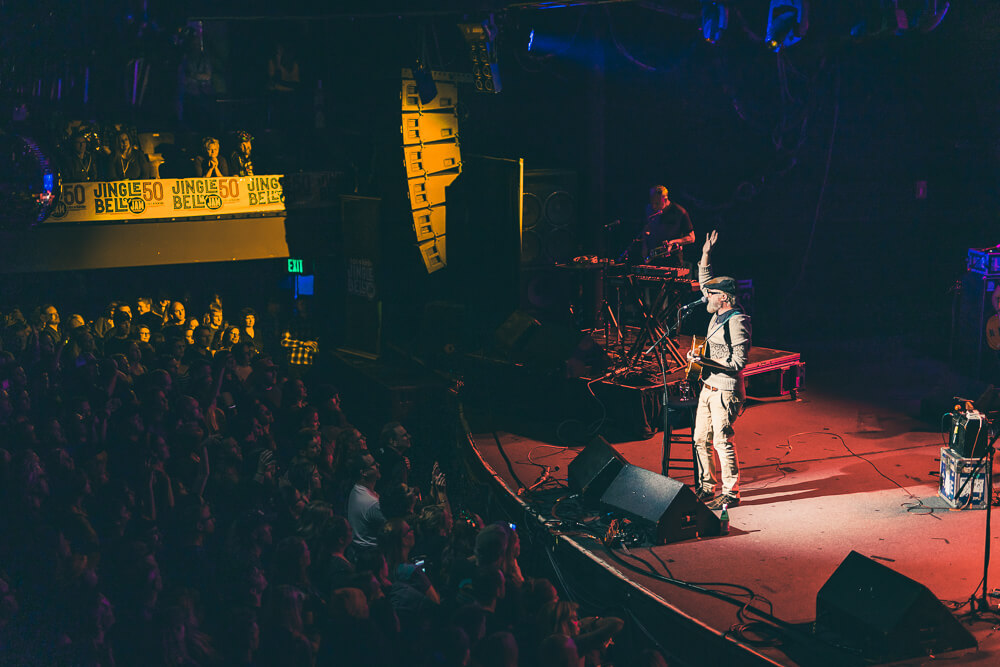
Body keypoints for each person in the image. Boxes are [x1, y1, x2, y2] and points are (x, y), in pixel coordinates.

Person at [686, 230, 751, 509]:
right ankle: (706, 487)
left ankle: (731, 493)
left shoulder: (737, 321)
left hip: (726, 390)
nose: (706, 296)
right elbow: (705, 281)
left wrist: (703, 362)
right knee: (700, 439)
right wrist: (705, 254)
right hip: (708, 386)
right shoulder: (717, 309)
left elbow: (738, 363)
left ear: (723, 297)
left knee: (722, 441)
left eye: (711, 294)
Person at [640, 185, 695, 267]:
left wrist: (673, 242)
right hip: (652, 260)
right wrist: (644, 247)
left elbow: (691, 238)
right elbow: (646, 230)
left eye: (657, 203)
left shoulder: (679, 212)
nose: (653, 206)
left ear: (665, 199)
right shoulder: (649, 209)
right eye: (652, 202)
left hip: (672, 261)